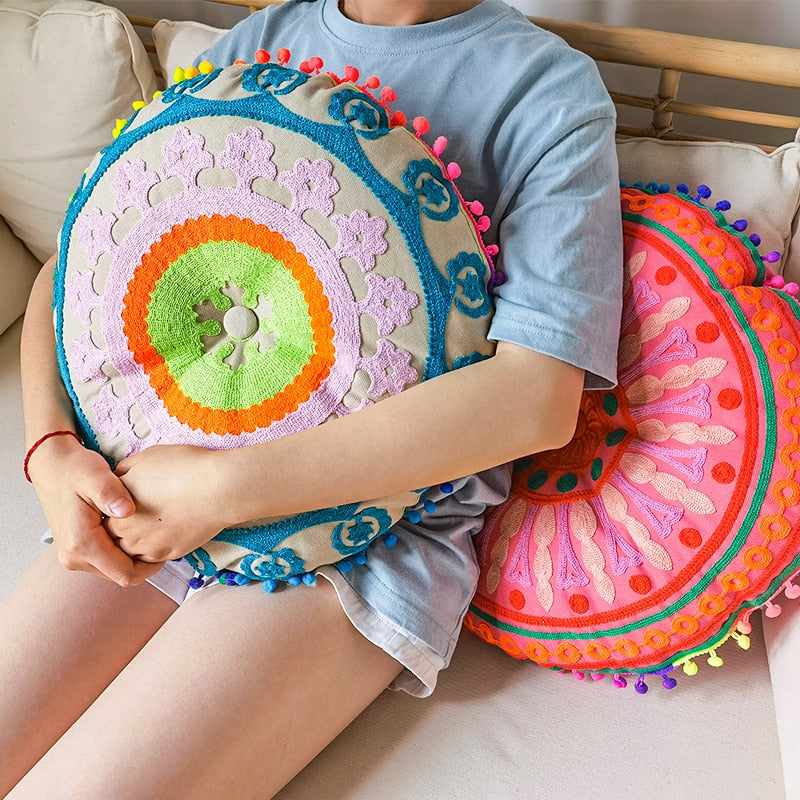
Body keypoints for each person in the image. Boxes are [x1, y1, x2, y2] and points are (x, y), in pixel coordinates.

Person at [0, 0, 622, 796]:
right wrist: (50, 449)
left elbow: (534, 399)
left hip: (364, 549)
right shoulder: (262, 41)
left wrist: (221, 490)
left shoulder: (547, 90)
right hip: (148, 491)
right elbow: (77, 262)